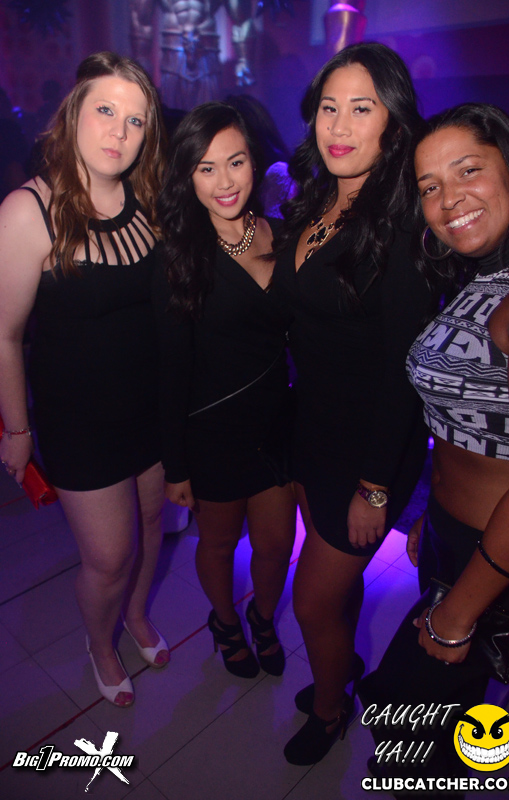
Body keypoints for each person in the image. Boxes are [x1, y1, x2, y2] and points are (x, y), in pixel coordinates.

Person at [359, 103, 509, 790]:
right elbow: (468, 423)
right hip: (457, 541)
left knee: (407, 725)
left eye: (467, 171)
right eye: (429, 186)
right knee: (423, 727)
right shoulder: (482, 275)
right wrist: (436, 516)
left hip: (502, 563)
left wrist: (457, 613)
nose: (447, 198)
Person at [273, 42, 431, 764]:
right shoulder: (314, 201)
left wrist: (374, 486)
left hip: (370, 449)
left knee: (311, 600)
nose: (338, 125)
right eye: (328, 108)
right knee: (332, 593)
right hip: (312, 429)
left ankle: (331, 709)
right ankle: (343, 664)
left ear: (392, 123)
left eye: (360, 109)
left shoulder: (401, 227)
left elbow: (404, 372)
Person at [0, 52, 169, 708]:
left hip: (149, 407)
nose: (119, 132)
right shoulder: (27, 212)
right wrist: (18, 430)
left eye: (135, 120)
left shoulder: (147, 200)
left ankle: (137, 616)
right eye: (105, 110)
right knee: (109, 557)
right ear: (73, 112)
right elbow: (4, 336)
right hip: (79, 422)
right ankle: (101, 643)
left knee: (152, 527)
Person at [155, 102, 296, 679]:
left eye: (235, 162)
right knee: (217, 543)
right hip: (212, 430)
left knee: (276, 544)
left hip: (277, 423)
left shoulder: (282, 234)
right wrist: (175, 464)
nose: (224, 181)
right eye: (206, 168)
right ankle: (225, 621)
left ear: (254, 162)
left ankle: (262, 617)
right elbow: (169, 370)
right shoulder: (179, 256)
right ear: (187, 177)